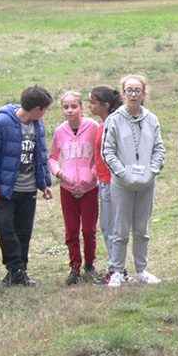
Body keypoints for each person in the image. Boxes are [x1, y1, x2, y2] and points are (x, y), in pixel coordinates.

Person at [0, 85, 53, 287]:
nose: (45, 113)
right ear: (38, 108)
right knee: (5, 227)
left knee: (24, 232)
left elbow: (40, 155)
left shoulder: (37, 125)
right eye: (46, 109)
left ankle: (18, 272)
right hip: (6, 189)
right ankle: (15, 269)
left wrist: (45, 184)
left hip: (28, 188)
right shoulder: (1, 122)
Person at [101, 74, 165, 288]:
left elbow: (159, 148)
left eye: (138, 90)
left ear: (144, 93)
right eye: (129, 90)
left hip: (146, 183)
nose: (133, 94)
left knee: (141, 229)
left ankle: (141, 270)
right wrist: (122, 173)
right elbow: (107, 151)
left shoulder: (151, 119)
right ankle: (117, 270)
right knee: (120, 229)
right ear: (123, 93)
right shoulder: (115, 119)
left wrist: (152, 170)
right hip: (122, 183)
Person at [49, 90, 99, 285]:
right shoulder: (60, 131)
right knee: (71, 230)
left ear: (82, 108)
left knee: (88, 229)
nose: (70, 111)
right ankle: (74, 267)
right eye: (66, 107)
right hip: (67, 188)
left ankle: (90, 263)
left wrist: (93, 172)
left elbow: (99, 152)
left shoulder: (93, 127)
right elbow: (53, 157)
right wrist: (59, 172)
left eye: (73, 106)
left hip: (89, 188)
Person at [88, 85, 123, 285]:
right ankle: (118, 266)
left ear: (106, 105)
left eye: (93, 102)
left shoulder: (112, 123)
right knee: (108, 226)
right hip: (103, 179)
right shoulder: (103, 123)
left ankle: (116, 269)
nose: (89, 106)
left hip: (111, 181)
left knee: (110, 226)